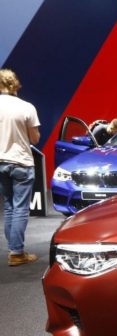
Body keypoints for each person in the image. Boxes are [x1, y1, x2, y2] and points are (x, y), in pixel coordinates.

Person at [0, 69, 40, 266]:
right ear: (15, 84)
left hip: (1, 162)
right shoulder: (26, 107)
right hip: (21, 162)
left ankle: (13, 249)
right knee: (20, 209)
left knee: (8, 207)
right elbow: (35, 139)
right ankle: (16, 253)